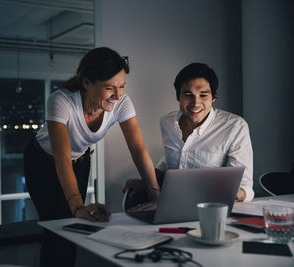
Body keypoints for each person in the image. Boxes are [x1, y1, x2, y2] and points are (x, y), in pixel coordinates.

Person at [24, 47, 159, 267]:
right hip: (42, 162)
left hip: (80, 160)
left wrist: (156, 196)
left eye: (122, 87)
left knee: (74, 226)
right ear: (86, 83)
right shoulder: (61, 100)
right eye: (109, 88)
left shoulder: (121, 103)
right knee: (57, 227)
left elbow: (138, 149)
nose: (117, 95)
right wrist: (78, 206)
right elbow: (61, 158)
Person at [124, 62, 254, 209]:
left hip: (212, 208)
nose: (195, 103)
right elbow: (171, 162)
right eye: (188, 94)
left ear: (213, 97)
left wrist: (238, 193)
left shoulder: (235, 127)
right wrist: (147, 181)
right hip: (172, 204)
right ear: (178, 97)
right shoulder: (167, 123)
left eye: (203, 95)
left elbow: (245, 186)